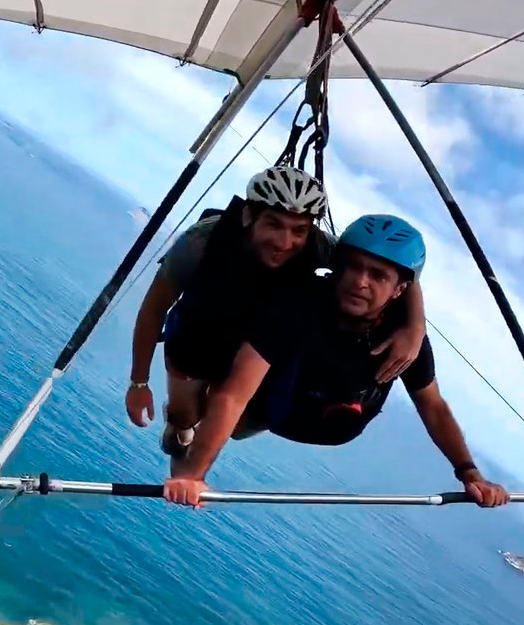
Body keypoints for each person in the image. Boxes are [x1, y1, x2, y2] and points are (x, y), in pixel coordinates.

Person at [162, 213, 509, 509]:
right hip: (270, 408)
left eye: (378, 276)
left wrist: (470, 473)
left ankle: (191, 429)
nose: (360, 282)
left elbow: (433, 406)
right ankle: (182, 423)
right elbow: (234, 395)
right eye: (353, 268)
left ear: (399, 290)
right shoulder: (298, 305)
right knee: (213, 387)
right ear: (337, 266)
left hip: (333, 423)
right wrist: (195, 476)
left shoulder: (402, 337)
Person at [125, 165, 425, 459]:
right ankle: (181, 424)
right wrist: (139, 383)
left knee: (236, 425)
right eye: (274, 224)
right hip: (200, 336)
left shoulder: (318, 247)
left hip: (257, 344)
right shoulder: (199, 243)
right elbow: (153, 310)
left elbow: (392, 265)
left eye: (299, 230)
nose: (285, 242)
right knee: (184, 418)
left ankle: (205, 425)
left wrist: (415, 327)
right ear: (249, 215)